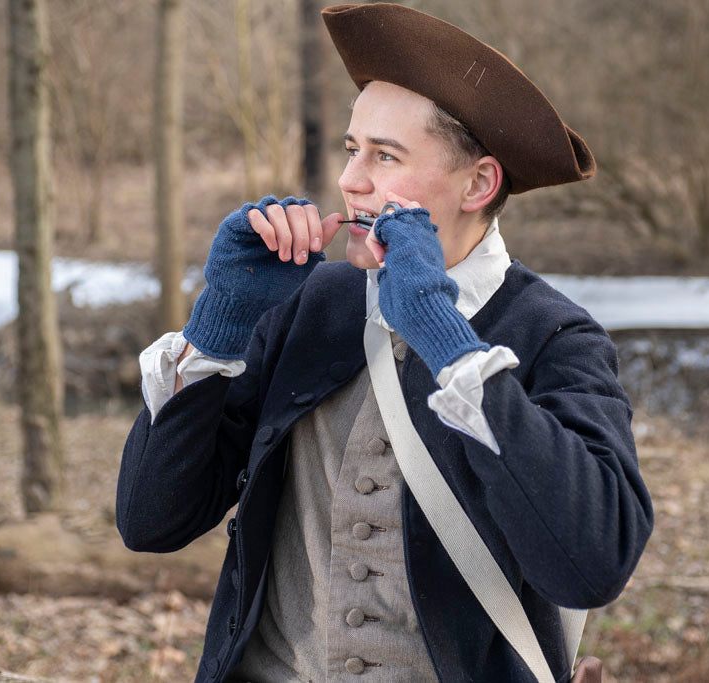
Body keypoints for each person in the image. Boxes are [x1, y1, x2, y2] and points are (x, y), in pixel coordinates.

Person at [116, 3, 653, 682]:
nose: (350, 180)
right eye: (351, 149)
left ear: (478, 183)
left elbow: (593, 563)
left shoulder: (557, 335)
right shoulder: (314, 303)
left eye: (385, 156)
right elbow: (150, 520)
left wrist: (444, 336)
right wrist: (216, 326)